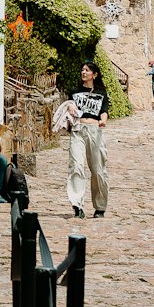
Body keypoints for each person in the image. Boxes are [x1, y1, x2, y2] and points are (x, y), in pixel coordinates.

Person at [66, 60, 110, 219]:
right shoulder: (74, 91)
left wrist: (103, 120)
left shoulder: (101, 93)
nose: (83, 72)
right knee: (76, 166)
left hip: (94, 130)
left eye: (87, 70)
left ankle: (100, 206)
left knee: (98, 170)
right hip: (78, 130)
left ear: (95, 74)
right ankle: (77, 205)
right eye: (82, 70)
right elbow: (68, 106)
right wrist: (69, 106)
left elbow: (104, 111)